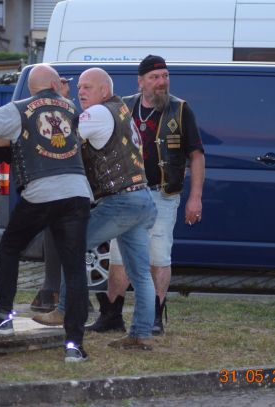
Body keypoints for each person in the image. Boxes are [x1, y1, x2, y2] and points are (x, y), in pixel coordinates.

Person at [0, 64, 91, 363]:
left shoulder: (18, 109)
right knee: (74, 269)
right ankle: (74, 345)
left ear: (31, 87)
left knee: (10, 248)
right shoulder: (72, 109)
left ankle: (2, 317)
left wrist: (12, 140)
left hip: (42, 193)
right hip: (77, 191)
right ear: (55, 85)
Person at [34, 67, 159, 350]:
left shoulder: (98, 113)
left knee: (72, 245)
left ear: (104, 90)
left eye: (87, 87)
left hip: (121, 202)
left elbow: (62, 137)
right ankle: (141, 334)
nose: (81, 92)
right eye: (79, 87)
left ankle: (64, 310)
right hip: (142, 199)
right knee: (140, 273)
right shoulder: (121, 110)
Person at [88, 55, 205, 336]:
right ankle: (112, 314)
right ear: (140, 81)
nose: (161, 82)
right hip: (126, 195)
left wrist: (195, 197)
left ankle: (154, 317)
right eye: (155, 77)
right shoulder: (123, 107)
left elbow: (197, 156)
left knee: (158, 255)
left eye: (165, 76)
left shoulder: (180, 109)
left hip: (162, 195)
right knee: (119, 257)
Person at [30, 76, 74, 313]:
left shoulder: (70, 111)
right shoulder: (58, 112)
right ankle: (54, 289)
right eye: (64, 82)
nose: (69, 86)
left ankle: (55, 289)